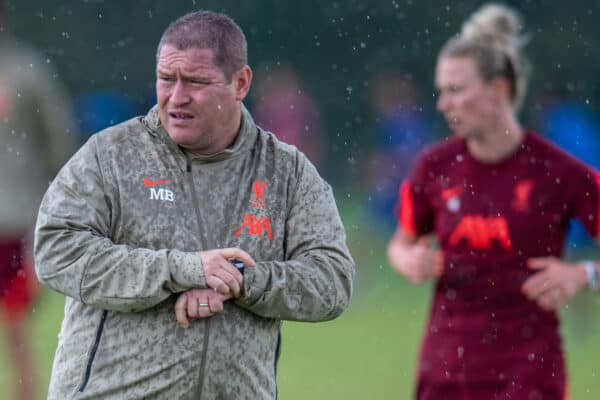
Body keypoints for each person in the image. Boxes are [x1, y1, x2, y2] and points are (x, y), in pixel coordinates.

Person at [34, 10, 354, 400]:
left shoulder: (287, 173)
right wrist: (183, 270)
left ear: (241, 83)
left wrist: (238, 281)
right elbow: (56, 251)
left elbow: (332, 281)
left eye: (196, 82)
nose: (176, 96)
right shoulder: (110, 156)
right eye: (166, 79)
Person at [387, 4, 600, 400]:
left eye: (456, 90)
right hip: (446, 372)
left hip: (530, 375)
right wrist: (408, 259)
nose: (443, 104)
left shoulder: (559, 171)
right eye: (440, 91)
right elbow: (400, 244)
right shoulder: (434, 167)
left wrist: (583, 275)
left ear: (499, 88)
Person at [0, 2, 76, 399]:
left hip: (15, 221)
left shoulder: (26, 72)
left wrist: (54, 205)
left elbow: (56, 139)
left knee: (16, 329)